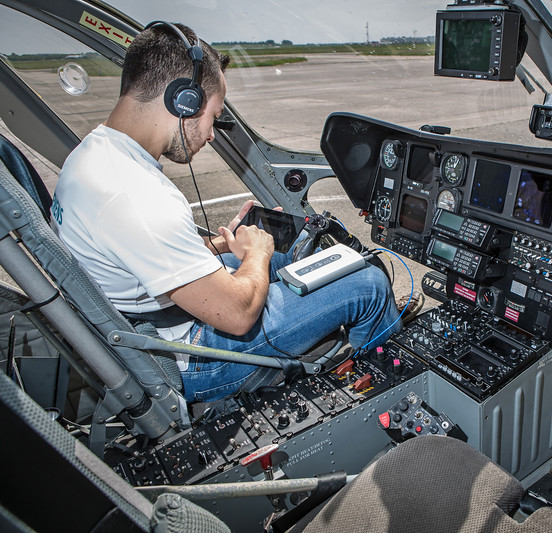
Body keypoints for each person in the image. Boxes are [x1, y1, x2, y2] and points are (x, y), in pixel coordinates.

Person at [51, 22, 403, 403]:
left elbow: (137, 253)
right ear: (182, 102)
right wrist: (257, 255)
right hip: (188, 358)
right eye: (212, 117)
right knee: (368, 285)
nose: (212, 134)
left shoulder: (93, 155)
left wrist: (219, 245)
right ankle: (387, 393)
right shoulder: (136, 196)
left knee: (294, 256)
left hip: (142, 332)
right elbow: (239, 315)